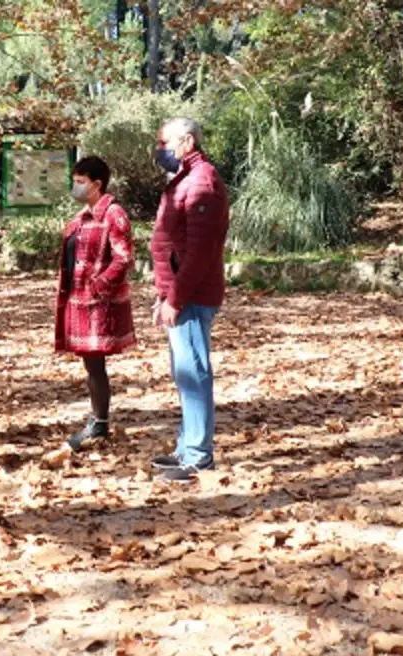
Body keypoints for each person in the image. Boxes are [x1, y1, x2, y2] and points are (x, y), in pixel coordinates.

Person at [149, 117, 230, 482]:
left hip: (193, 296)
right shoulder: (185, 179)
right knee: (185, 373)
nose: (159, 151)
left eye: (163, 143)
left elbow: (198, 253)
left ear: (187, 142)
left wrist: (176, 299)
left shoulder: (202, 182)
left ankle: (198, 455)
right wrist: (163, 294)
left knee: (194, 372)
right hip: (182, 294)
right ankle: (187, 447)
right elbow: (173, 244)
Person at [54, 156, 136, 450]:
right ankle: (98, 421)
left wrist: (99, 286)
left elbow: (124, 257)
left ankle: (99, 423)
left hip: (97, 303)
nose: (75, 187)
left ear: (97, 184)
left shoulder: (113, 214)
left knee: (95, 365)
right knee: (91, 365)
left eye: (80, 182)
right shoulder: (81, 217)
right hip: (78, 302)